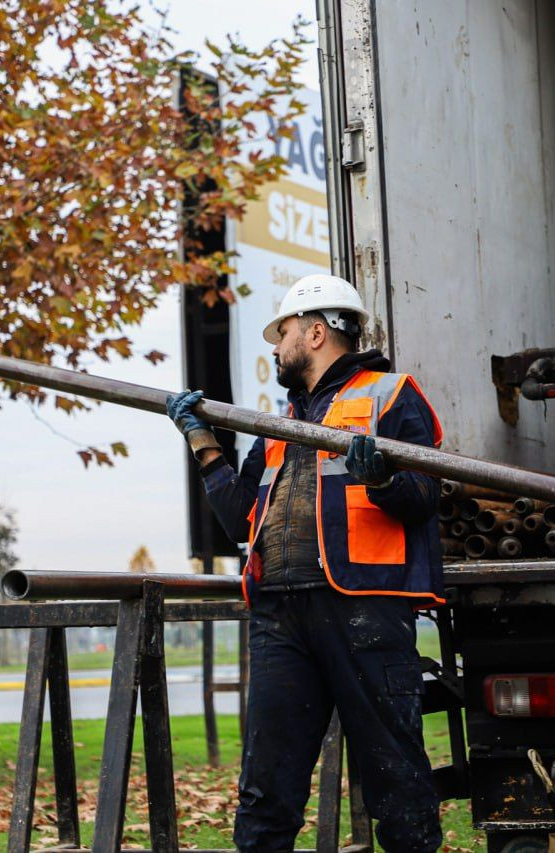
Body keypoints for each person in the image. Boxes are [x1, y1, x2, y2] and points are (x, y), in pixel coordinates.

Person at [166, 274, 444, 853]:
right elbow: (244, 519)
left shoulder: (392, 396)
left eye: (284, 332)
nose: (275, 346)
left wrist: (385, 479)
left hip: (364, 612)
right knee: (266, 793)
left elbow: (424, 499)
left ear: (316, 332)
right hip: (280, 617)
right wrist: (202, 441)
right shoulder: (278, 425)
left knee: (397, 784)